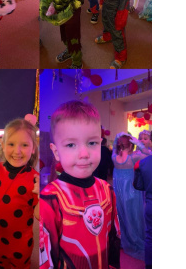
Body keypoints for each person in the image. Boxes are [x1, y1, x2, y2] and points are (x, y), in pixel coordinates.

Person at [40, 100, 121, 269]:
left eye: (92, 143)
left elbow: (114, 237)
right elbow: (47, 257)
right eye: (71, 145)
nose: (84, 154)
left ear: (100, 143)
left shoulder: (107, 190)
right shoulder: (49, 199)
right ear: (56, 151)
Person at [0, 118, 40, 269]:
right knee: (0, 263)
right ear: (3, 146)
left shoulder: (35, 179)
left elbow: (39, 215)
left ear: (33, 148)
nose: (17, 151)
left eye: (24, 145)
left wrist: (41, 196)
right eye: (11, 144)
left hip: (21, 242)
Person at [112, 132, 151, 262]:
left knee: (123, 216)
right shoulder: (134, 157)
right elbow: (150, 155)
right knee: (135, 216)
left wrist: (118, 137)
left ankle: (125, 239)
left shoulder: (114, 157)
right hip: (132, 191)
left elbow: (114, 146)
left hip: (119, 192)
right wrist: (139, 143)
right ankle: (135, 239)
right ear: (130, 145)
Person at [134, 142, 152, 269]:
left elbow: (138, 185)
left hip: (151, 203)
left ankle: (149, 265)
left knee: (150, 236)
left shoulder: (142, 163)